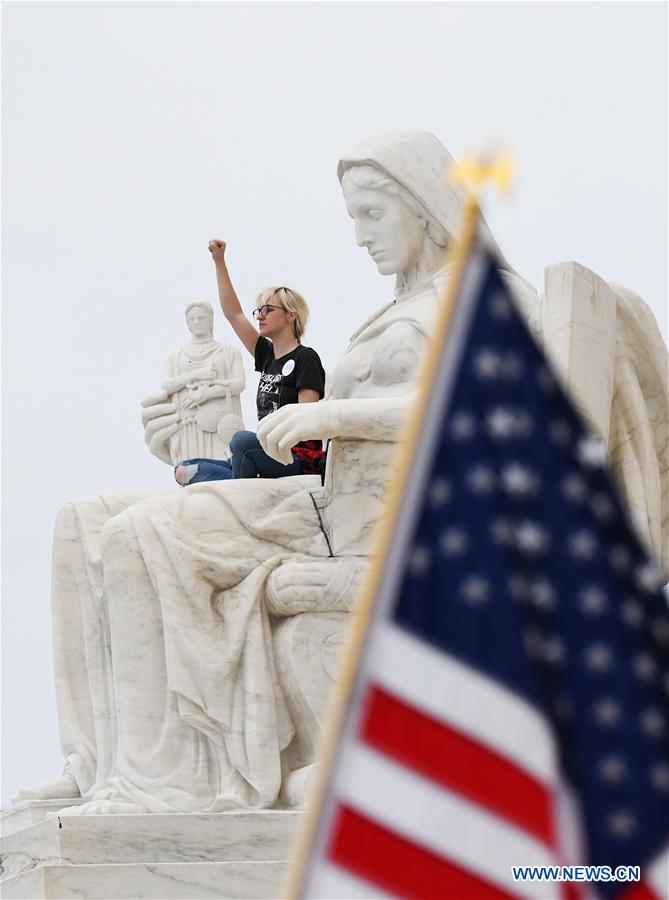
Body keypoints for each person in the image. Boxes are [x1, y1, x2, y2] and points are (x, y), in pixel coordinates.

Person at [15, 132, 666, 815]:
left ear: (422, 206)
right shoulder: (391, 310)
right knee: (84, 521)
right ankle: (93, 761)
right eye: (352, 217)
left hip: (403, 525)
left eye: (370, 214)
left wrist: (337, 420)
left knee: (140, 535)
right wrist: (187, 448)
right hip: (322, 505)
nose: (359, 236)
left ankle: (155, 783)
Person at [174, 262, 326, 486]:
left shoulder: (306, 358)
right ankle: (244, 479)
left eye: (267, 310)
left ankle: (242, 487)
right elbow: (234, 314)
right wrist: (219, 260)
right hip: (265, 452)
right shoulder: (267, 356)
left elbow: (304, 421)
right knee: (184, 468)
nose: (260, 316)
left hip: (295, 458)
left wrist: (265, 444)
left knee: (241, 441)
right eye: (258, 310)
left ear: (291, 316)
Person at [140, 301, 246, 465]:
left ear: (210, 320)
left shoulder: (229, 352)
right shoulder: (176, 356)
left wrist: (206, 394)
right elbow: (167, 386)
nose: (196, 322)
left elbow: (239, 384)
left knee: (224, 475)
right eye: (192, 319)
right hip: (187, 426)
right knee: (193, 477)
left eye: (201, 318)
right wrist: (196, 375)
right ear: (187, 323)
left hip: (221, 425)